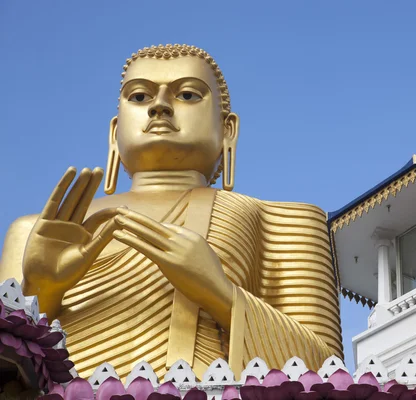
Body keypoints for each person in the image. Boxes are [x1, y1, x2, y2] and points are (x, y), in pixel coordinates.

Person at [0, 44, 342, 380]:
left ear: (228, 129)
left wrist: (220, 294)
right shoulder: (39, 232)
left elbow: (328, 373)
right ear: (115, 132)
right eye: (139, 97)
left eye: (188, 95)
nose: (159, 107)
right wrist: (43, 291)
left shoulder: (282, 220)